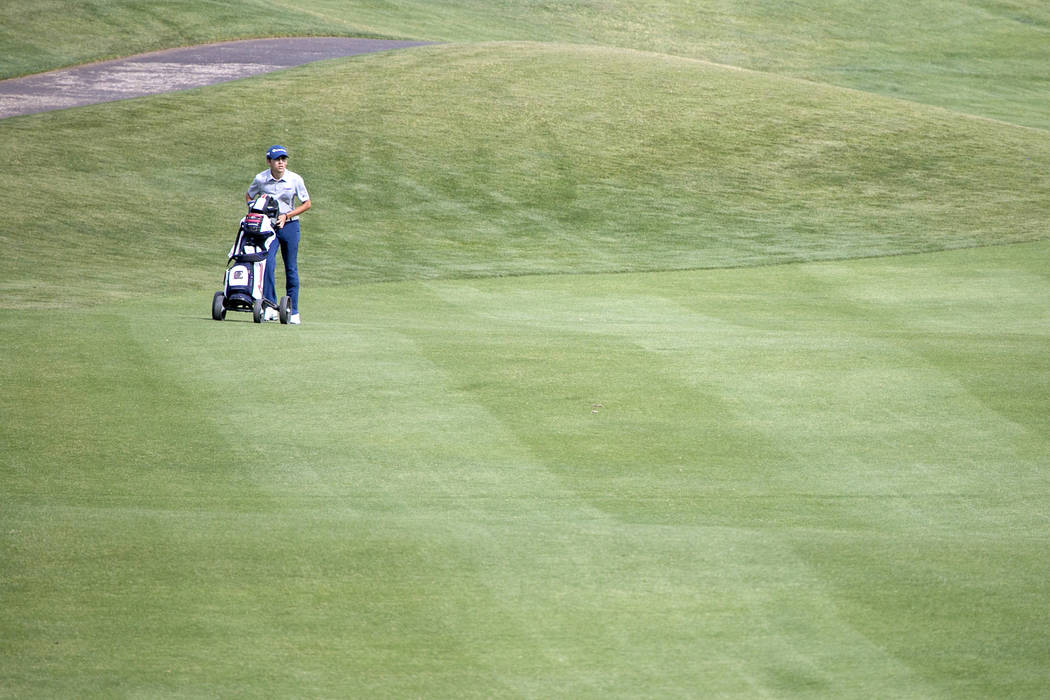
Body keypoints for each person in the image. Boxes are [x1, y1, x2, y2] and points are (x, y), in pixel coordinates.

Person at [246, 145, 311, 324]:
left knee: (291, 268)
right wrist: (256, 213)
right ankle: (270, 306)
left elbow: (307, 203)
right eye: (277, 159)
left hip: (290, 226)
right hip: (268, 228)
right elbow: (249, 196)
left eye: (283, 159)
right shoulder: (261, 179)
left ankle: (294, 310)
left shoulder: (295, 179)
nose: (281, 162)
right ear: (269, 162)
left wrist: (286, 215)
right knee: (267, 264)